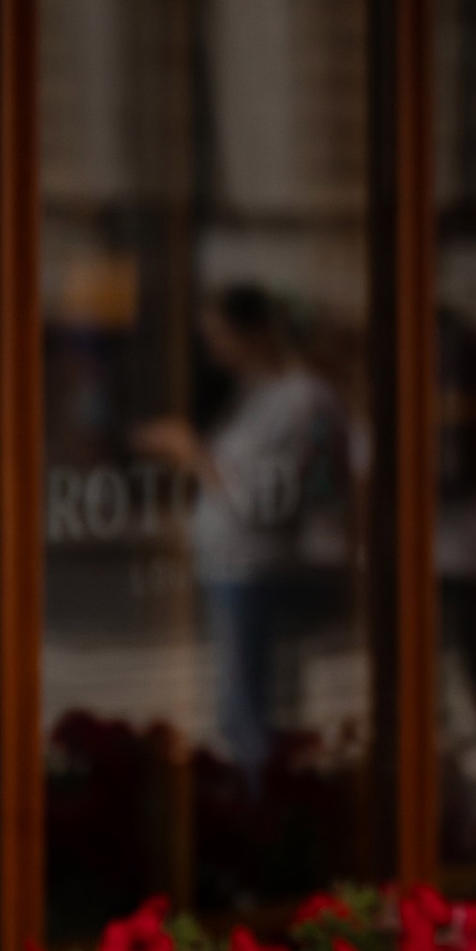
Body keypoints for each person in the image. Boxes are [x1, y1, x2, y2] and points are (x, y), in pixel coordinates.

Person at [134, 283, 347, 787]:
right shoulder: (261, 394)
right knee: (244, 711)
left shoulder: (301, 399)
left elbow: (265, 501)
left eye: (220, 335)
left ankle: (267, 809)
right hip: (238, 571)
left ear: (251, 334)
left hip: (259, 572)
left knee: (252, 716)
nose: (214, 349)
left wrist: (193, 453)